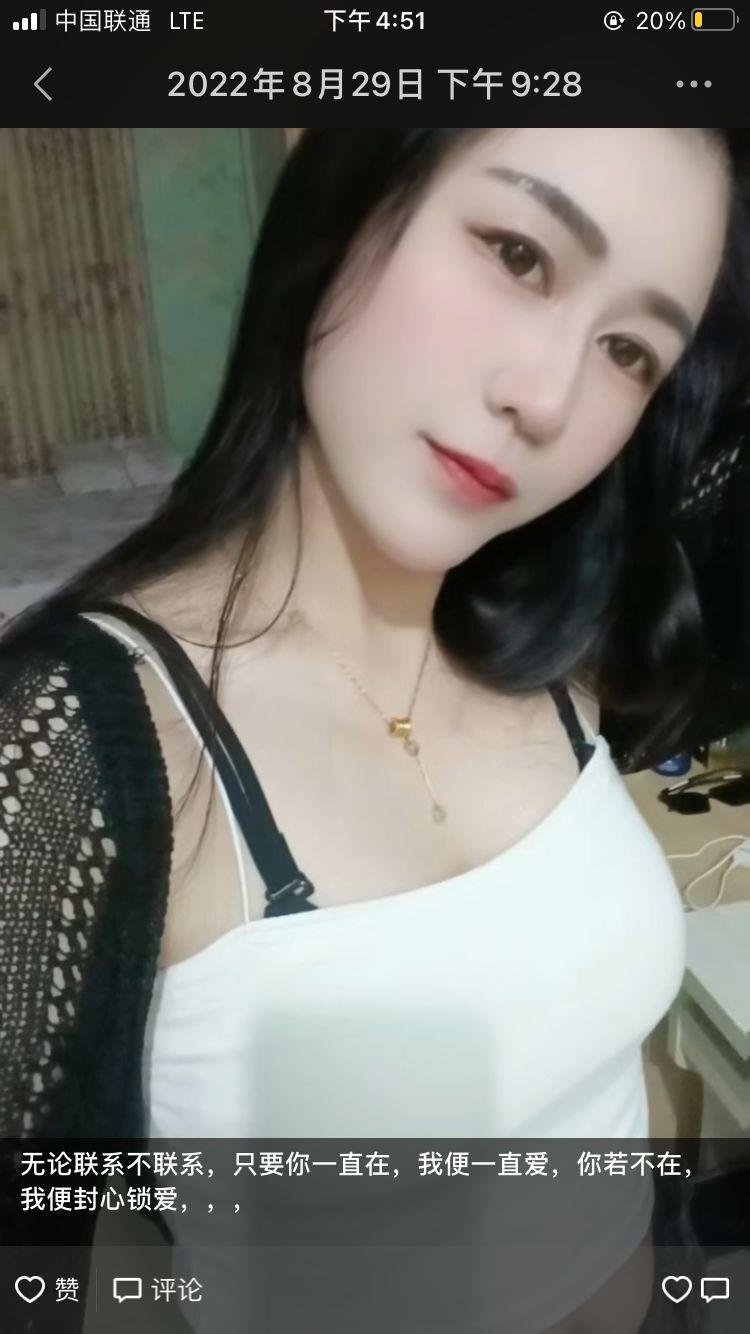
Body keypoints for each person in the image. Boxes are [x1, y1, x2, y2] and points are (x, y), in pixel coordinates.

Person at [2, 127, 749, 1333]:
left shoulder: (556, 638)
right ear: (351, 198)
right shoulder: (80, 739)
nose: (547, 398)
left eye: (629, 350)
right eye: (518, 253)